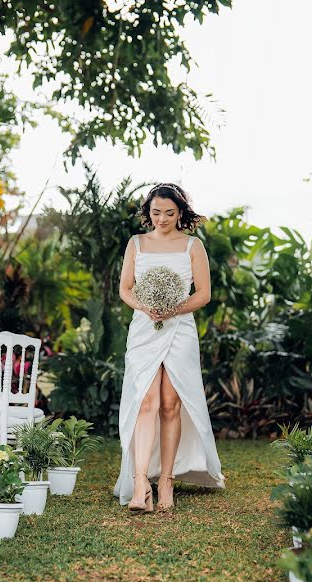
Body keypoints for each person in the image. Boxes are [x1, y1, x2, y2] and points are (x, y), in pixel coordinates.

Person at [113, 182, 225, 512]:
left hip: (180, 330)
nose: (162, 219)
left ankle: (166, 483)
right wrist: (145, 307)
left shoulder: (193, 246)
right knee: (145, 400)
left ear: (180, 213)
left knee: (170, 403)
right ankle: (140, 485)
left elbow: (203, 294)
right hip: (144, 329)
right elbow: (125, 288)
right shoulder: (136, 243)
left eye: (170, 213)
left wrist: (173, 308)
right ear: (148, 213)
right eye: (156, 212)